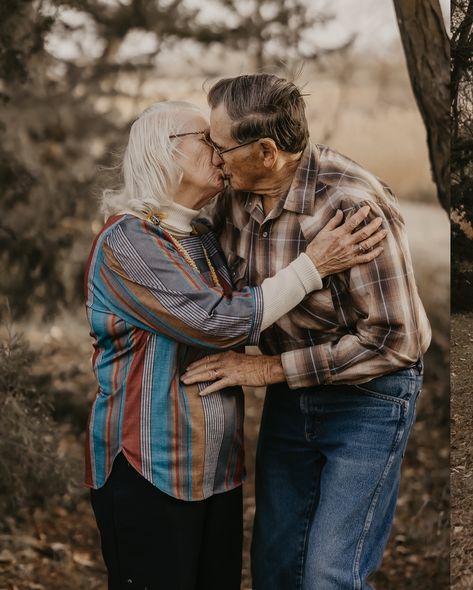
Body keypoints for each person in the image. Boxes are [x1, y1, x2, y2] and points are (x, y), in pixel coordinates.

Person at [84, 100, 386, 590]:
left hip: (215, 469)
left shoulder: (202, 233)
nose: (220, 152)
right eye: (206, 139)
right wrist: (314, 266)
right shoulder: (128, 241)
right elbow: (219, 321)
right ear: (165, 153)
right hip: (148, 465)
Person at [181, 74, 432, 590]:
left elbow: (397, 339)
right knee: (276, 566)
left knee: (326, 574)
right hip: (295, 396)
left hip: (370, 396)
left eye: (219, 145)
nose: (214, 156)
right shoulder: (232, 199)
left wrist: (269, 367)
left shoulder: (350, 206)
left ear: (267, 152)